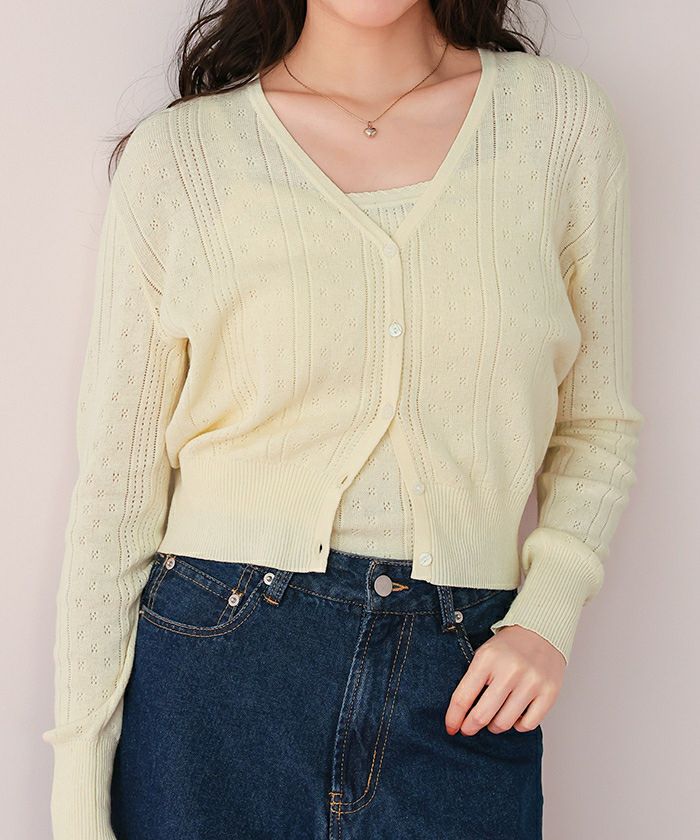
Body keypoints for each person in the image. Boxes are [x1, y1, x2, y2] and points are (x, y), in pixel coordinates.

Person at [41, 1, 644, 838]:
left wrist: (547, 613)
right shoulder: (182, 157)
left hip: (462, 674)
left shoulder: (558, 124)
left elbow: (597, 425)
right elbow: (117, 491)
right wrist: (77, 792)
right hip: (218, 672)